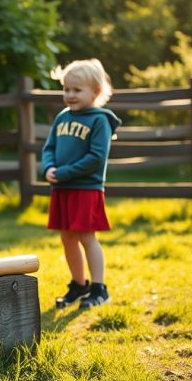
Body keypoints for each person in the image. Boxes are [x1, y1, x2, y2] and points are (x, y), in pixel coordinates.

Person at [40, 58, 121, 310]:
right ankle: (79, 284)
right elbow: (49, 147)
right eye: (66, 89)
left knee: (86, 236)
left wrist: (64, 173)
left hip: (86, 189)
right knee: (67, 237)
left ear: (95, 92)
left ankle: (99, 288)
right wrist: (49, 168)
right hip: (63, 188)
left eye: (77, 90)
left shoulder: (100, 120)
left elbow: (96, 158)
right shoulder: (62, 117)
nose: (70, 95)